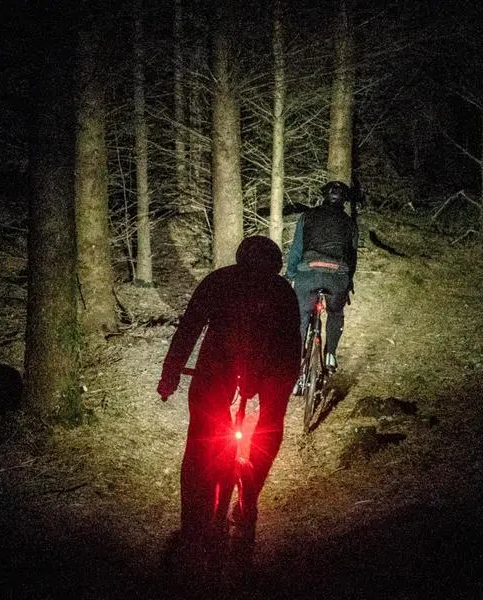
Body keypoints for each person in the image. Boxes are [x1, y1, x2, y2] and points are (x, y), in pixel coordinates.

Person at [158, 235, 301, 574]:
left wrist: (171, 373)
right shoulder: (281, 290)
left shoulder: (221, 280)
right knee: (265, 426)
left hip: (236, 368)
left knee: (202, 440)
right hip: (248, 368)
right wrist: (277, 389)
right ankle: (246, 499)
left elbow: (189, 329)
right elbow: (291, 348)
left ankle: (200, 522)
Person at [285, 180, 358, 376]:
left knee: (301, 315)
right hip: (337, 276)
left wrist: (290, 274)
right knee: (335, 313)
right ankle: (330, 354)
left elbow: (297, 249)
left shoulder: (307, 216)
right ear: (343, 201)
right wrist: (348, 281)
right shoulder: (349, 223)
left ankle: (294, 360)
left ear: (324, 196)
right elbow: (352, 257)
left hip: (308, 272)